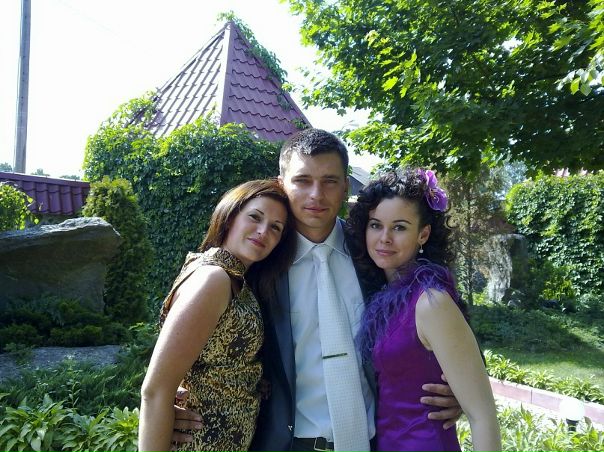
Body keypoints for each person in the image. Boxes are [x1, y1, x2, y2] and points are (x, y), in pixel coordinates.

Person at [172, 129, 462, 452]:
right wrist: (170, 396)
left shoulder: (376, 254)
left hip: (373, 442)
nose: (316, 195)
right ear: (281, 183)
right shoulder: (259, 262)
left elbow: (436, 317)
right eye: (302, 180)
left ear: (346, 186)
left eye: (329, 181)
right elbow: (196, 332)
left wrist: (459, 388)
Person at [347, 169, 501, 452]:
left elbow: (483, 416)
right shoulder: (381, 297)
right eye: (376, 225)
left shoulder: (431, 302)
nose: (384, 238)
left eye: (399, 227)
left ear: (423, 234)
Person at [139, 179, 297, 452]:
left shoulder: (238, 281)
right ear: (230, 215)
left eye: (275, 227)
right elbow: (155, 391)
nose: (263, 231)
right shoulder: (213, 278)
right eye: (255, 217)